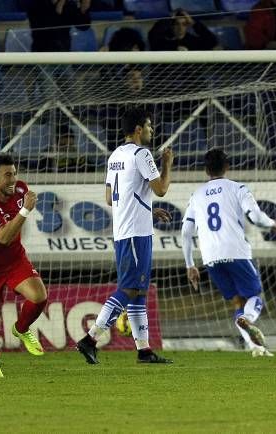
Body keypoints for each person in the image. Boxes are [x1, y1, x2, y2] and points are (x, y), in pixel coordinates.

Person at [76, 107, 174, 364]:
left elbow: (110, 198)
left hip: (125, 231)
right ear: (139, 129)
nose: (152, 130)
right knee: (130, 288)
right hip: (136, 234)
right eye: (150, 126)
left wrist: (147, 210)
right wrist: (167, 164)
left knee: (139, 291)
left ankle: (144, 350)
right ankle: (90, 338)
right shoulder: (143, 154)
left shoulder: (116, 155)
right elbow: (161, 189)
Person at [181, 148, 276, 357]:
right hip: (236, 250)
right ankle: (249, 320)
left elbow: (186, 232)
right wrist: (271, 223)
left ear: (206, 170)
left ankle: (255, 347)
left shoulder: (196, 195)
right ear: (227, 166)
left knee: (237, 302)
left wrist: (190, 264)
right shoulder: (238, 188)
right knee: (254, 295)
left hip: (210, 256)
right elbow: (255, 217)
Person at [0, 154, 49, 378]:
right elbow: (3, 237)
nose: (13, 179)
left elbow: (10, 240)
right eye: (8, 175)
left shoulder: (21, 189)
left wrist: (23, 207)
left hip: (14, 260)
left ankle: (21, 329)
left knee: (39, 296)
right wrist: (25, 211)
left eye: (14, 173)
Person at [148, 9, 218, 51]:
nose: (180, 27)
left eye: (184, 24)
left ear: (188, 25)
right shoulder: (163, 40)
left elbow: (212, 42)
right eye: (177, 24)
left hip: (190, 75)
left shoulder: (193, 41)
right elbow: (152, 35)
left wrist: (193, 23)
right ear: (171, 25)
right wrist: (169, 18)